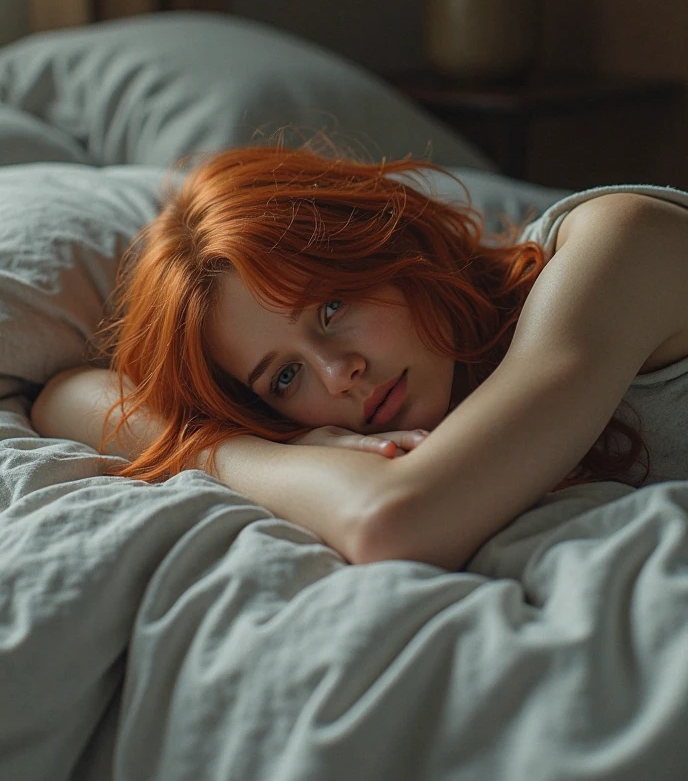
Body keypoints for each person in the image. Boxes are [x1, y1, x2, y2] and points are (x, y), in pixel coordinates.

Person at [30, 143, 688, 570]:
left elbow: (392, 525)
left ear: (385, 244)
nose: (338, 373)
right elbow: (65, 396)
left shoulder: (617, 245)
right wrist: (282, 444)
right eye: (285, 376)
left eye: (332, 307)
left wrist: (232, 454)